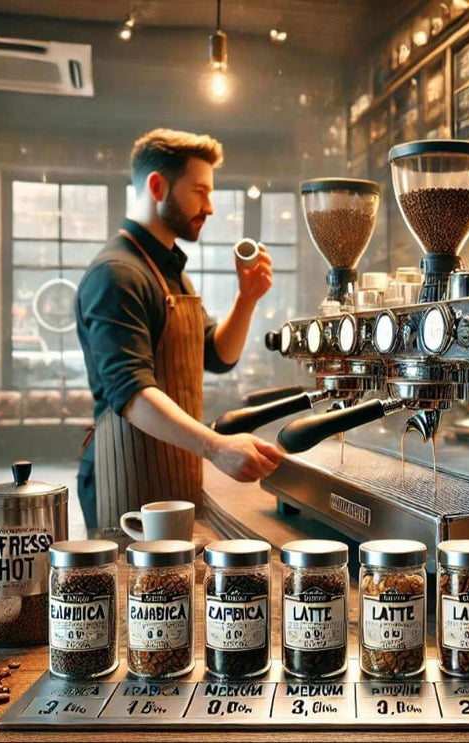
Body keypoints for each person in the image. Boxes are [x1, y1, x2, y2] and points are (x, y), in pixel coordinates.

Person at [75, 128, 283, 532]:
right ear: (157, 186)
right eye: (200, 192)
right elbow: (131, 392)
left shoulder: (167, 271)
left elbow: (216, 356)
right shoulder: (117, 274)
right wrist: (216, 446)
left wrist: (248, 297)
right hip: (125, 475)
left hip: (175, 471)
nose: (210, 208)